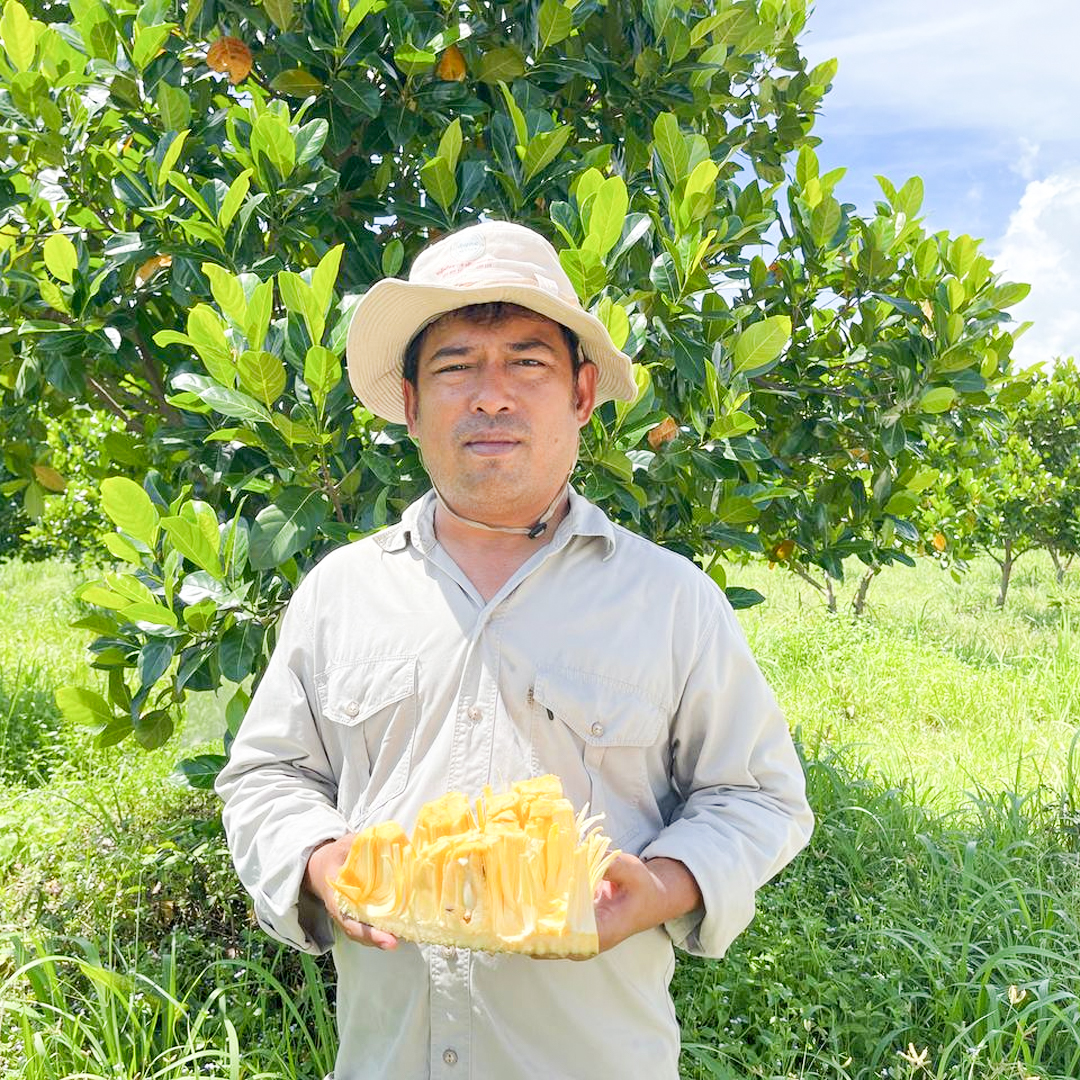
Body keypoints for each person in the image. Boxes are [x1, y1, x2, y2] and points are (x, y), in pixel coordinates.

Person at [216, 220, 814, 1079]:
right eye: (455, 366)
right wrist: (318, 859)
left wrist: (665, 884)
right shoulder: (339, 593)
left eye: (527, 363)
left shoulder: (671, 600)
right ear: (411, 404)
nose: (491, 396)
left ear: (581, 394)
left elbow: (757, 796)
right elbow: (267, 776)